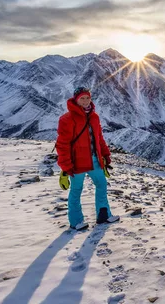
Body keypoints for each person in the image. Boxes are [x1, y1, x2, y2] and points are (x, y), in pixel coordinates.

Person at [56, 87, 119, 230]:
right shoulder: (67, 119)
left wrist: (106, 155)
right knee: (76, 190)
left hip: (95, 160)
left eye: (87, 98)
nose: (85, 101)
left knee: (102, 185)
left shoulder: (94, 117)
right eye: (82, 98)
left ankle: (104, 214)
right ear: (76, 99)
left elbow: (99, 139)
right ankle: (76, 221)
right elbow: (62, 144)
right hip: (76, 162)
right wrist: (66, 165)